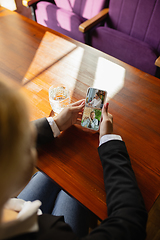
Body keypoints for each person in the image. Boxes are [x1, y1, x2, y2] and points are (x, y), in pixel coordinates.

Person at [0, 79, 147, 240]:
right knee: (78, 185)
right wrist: (109, 140)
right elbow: (131, 222)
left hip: (19, 209)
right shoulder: (56, 234)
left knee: (59, 176)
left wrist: (55, 124)